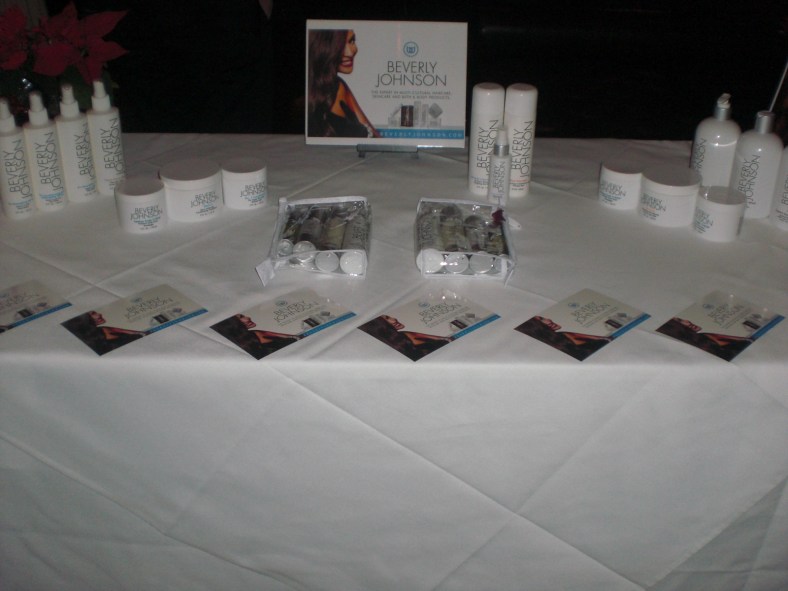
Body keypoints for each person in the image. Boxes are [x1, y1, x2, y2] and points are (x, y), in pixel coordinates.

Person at [307, 29, 380, 138]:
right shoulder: (337, 87)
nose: (350, 52)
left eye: (351, 41)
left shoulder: (339, 86)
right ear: (323, 46)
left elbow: (375, 138)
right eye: (340, 45)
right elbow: (375, 138)